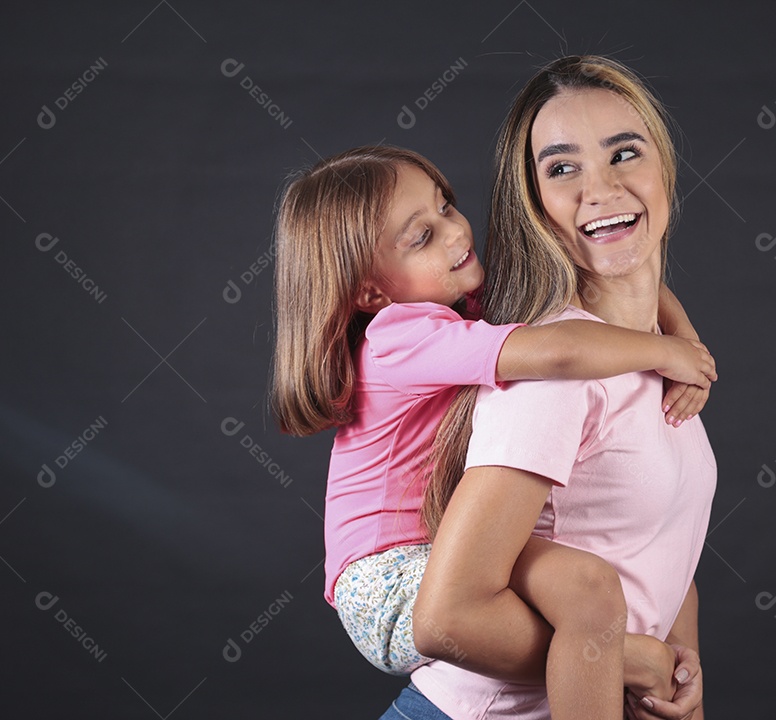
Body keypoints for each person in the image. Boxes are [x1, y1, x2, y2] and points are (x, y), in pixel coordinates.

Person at [269, 145, 716, 717]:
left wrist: (684, 336)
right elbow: (556, 352)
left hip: (429, 552)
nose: (456, 231)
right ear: (371, 293)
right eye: (422, 236)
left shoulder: (461, 304)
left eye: (446, 206)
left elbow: (631, 283)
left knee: (584, 592)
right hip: (387, 576)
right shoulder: (397, 336)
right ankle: (631, 659)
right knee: (585, 589)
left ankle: (628, 659)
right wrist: (665, 353)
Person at [406, 56, 718, 720]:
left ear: (664, 169)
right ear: (537, 207)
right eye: (562, 169)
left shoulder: (659, 359)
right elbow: (445, 618)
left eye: (624, 154)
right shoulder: (556, 376)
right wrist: (631, 659)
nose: (599, 189)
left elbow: (661, 552)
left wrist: (679, 675)